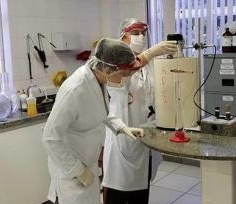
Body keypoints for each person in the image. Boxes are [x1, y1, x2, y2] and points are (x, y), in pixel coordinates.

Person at [42, 38, 145, 204]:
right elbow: (50, 138)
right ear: (107, 69)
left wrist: (122, 127)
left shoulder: (98, 79)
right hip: (70, 171)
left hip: (87, 165)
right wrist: (78, 171)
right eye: (123, 75)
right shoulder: (75, 90)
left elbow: (100, 111)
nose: (124, 79)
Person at [102, 18, 177, 204]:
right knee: (118, 194)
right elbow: (125, 74)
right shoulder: (113, 62)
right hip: (123, 139)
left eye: (143, 33)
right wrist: (151, 52)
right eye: (135, 33)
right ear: (123, 37)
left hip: (145, 138)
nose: (141, 37)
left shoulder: (149, 65)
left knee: (141, 194)